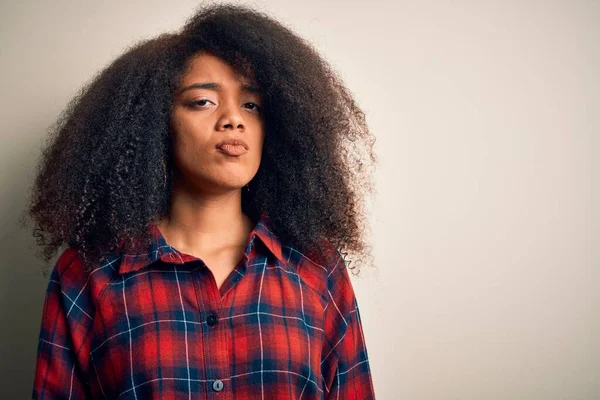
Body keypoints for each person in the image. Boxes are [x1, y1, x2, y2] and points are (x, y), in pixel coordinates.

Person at [25, 3, 377, 399]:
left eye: (251, 105)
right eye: (203, 101)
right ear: (155, 124)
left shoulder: (317, 269)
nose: (233, 119)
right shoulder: (89, 273)